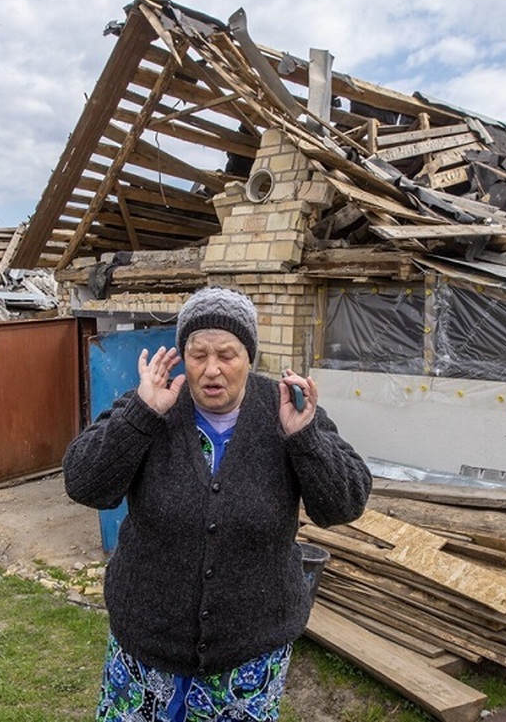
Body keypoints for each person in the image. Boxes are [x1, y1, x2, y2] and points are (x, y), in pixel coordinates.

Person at [64, 286, 373, 721]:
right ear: (182, 356)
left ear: (249, 356)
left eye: (226, 354)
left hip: (247, 654)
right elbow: (84, 485)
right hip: (147, 646)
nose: (212, 370)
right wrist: (140, 415)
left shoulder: (287, 409)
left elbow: (344, 504)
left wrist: (304, 440)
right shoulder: (154, 406)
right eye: (197, 354)